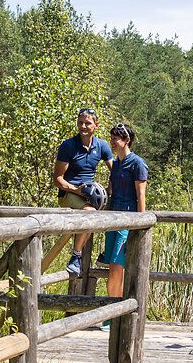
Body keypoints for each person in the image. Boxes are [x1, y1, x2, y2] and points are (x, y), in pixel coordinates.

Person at [51, 107, 110, 278]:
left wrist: (109, 190)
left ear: (96, 125)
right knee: (90, 213)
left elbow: (115, 170)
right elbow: (58, 179)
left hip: (90, 194)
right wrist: (77, 190)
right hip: (69, 194)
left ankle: (107, 254)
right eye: (80, 123)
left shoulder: (102, 145)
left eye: (87, 123)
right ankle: (76, 257)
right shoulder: (68, 145)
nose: (83, 126)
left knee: (119, 207)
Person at [101, 122, 148, 303]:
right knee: (112, 267)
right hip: (112, 219)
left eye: (116, 138)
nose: (112, 141)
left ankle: (113, 313)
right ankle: (112, 311)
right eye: (111, 138)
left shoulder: (137, 163)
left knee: (116, 266)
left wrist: (139, 225)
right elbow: (110, 191)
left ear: (127, 140)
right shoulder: (116, 164)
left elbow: (141, 195)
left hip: (128, 221)